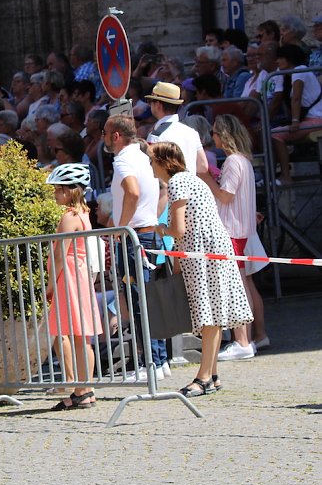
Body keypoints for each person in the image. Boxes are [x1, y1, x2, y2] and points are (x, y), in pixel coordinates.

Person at [149, 141, 253, 397]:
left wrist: (160, 229)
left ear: (163, 162)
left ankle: (204, 376)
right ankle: (212, 374)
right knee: (213, 315)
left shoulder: (177, 182)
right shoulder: (190, 179)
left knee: (209, 316)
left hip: (202, 253)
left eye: (152, 160)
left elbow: (178, 230)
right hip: (210, 250)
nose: (150, 165)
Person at [104, 114, 169, 379]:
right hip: (146, 233)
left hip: (135, 238)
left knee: (138, 301)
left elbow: (132, 192)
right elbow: (161, 189)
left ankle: (150, 364)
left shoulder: (123, 160)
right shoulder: (143, 156)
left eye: (105, 133)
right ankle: (159, 361)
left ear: (116, 136)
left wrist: (121, 227)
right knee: (146, 300)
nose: (103, 138)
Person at [205, 115, 270, 359]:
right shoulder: (243, 160)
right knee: (245, 285)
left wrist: (207, 178)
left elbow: (226, 196)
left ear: (223, 135)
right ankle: (253, 338)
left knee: (237, 288)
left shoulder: (233, 161)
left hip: (232, 231)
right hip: (242, 230)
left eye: (214, 132)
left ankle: (243, 341)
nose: (212, 137)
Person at [44, 164, 102, 410]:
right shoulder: (83, 214)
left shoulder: (69, 216)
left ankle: (82, 390)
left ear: (69, 191)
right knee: (81, 336)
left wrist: (50, 285)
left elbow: (60, 253)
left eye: (58, 189)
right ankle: (85, 389)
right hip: (78, 275)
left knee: (78, 334)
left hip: (69, 276)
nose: (55, 193)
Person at [270, 43, 322, 183]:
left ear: (290, 58)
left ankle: (286, 176)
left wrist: (295, 121)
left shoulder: (299, 70)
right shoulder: (295, 73)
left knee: (276, 135)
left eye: (280, 58)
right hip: (312, 118)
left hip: (317, 119)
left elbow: (296, 98)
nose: (277, 61)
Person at [145, 81, 209, 178]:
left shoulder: (156, 136)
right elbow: (203, 166)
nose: (150, 105)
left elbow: (151, 172)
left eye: (150, 101)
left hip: (169, 187)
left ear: (158, 105)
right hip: (190, 185)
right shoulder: (191, 132)